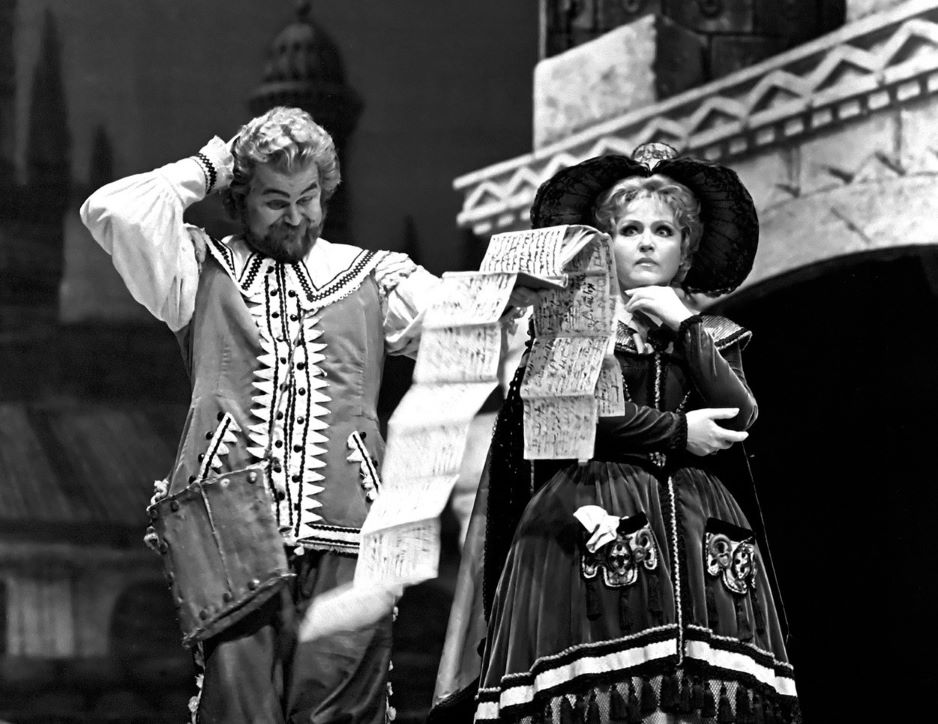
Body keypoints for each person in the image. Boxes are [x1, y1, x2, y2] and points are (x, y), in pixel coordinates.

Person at [80, 106, 445, 723]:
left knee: (341, 711)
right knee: (239, 711)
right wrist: (209, 166)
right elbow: (112, 210)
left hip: (350, 529)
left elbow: (473, 324)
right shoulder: (196, 270)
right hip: (229, 530)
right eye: (276, 200)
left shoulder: (370, 275)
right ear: (240, 197)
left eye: (309, 198)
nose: (297, 216)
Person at [431, 143, 800, 723]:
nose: (647, 241)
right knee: (603, 696)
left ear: (686, 250)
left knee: (693, 703)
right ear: (606, 243)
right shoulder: (575, 321)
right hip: (591, 508)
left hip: (697, 532)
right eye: (630, 229)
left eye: (663, 230)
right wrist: (679, 433)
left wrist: (686, 326)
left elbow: (740, 414)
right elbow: (576, 411)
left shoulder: (706, 332)